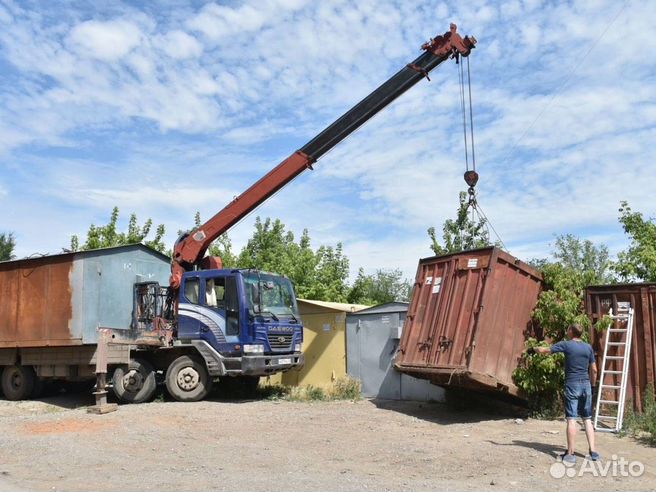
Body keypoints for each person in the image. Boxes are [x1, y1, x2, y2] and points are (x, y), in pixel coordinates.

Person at [528, 323, 600, 463]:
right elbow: (594, 370)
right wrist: (592, 386)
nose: (567, 331)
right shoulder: (588, 347)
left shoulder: (566, 345)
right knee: (587, 419)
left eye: (568, 329)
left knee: (572, 419)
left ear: (572, 332)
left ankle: (571, 454)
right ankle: (593, 452)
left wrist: (533, 349)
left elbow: (546, 350)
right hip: (586, 385)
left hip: (572, 384)